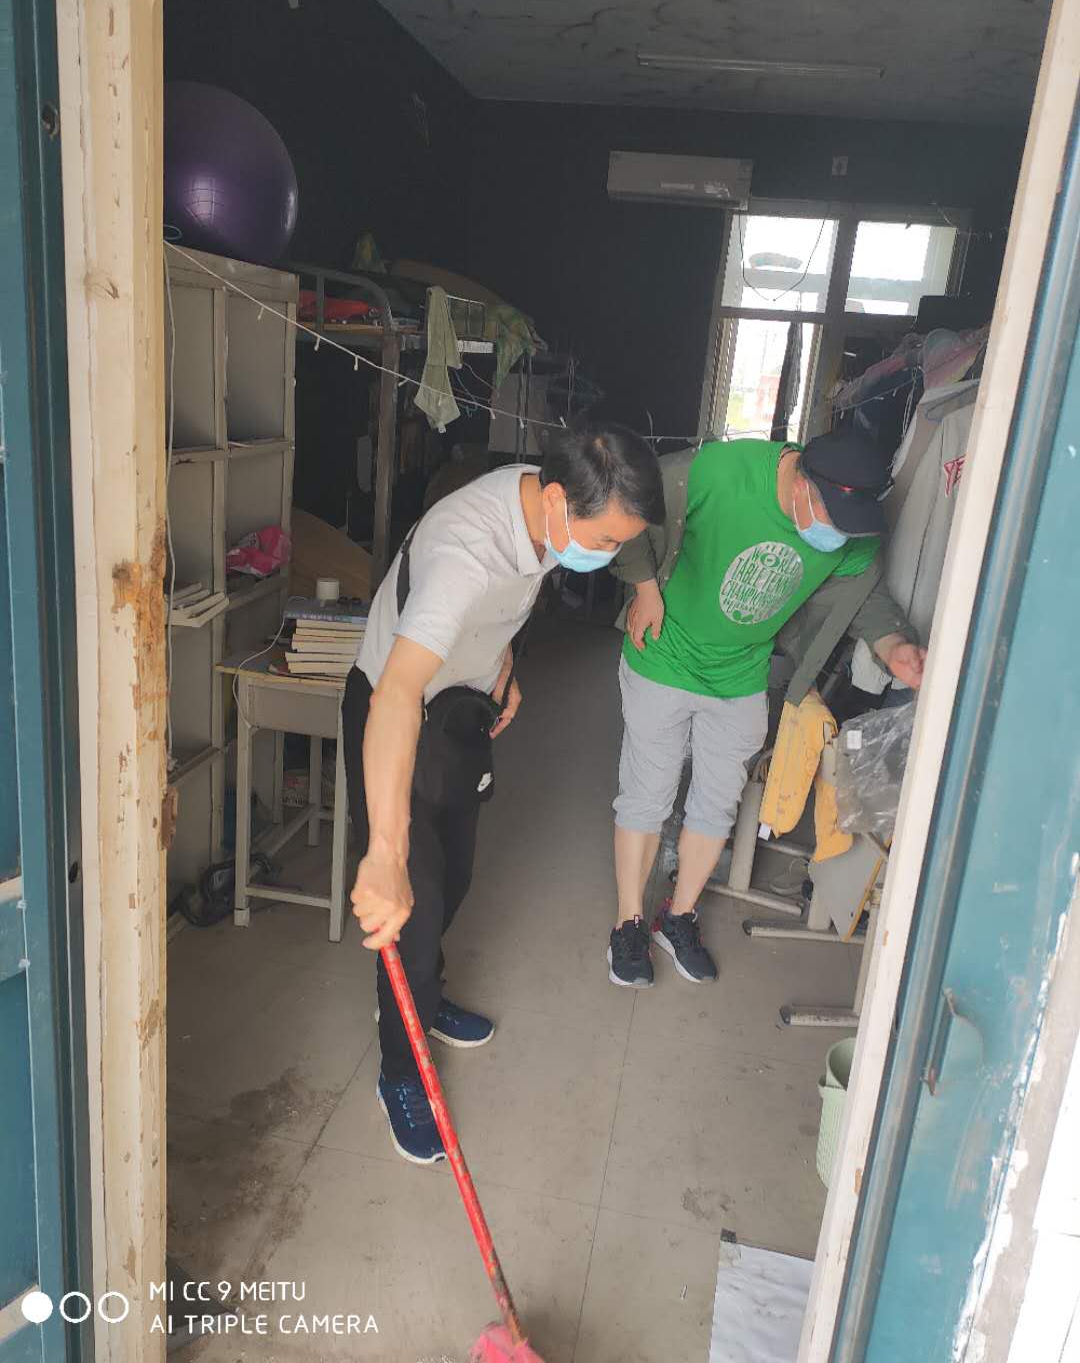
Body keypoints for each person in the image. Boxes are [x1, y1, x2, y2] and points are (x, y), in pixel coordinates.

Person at [344, 420, 664, 1163]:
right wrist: (383, 854)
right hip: (398, 711)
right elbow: (395, 693)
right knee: (413, 905)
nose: (608, 557)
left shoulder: (544, 503)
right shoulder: (466, 553)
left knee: (453, 878)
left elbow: (513, 599)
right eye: (606, 541)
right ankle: (401, 1071)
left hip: (463, 702)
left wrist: (504, 665)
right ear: (556, 502)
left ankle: (425, 998)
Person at [607, 430, 925, 988]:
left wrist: (894, 645)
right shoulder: (717, 472)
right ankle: (628, 925)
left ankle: (677, 917)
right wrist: (645, 586)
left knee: (717, 804)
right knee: (648, 795)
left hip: (742, 674)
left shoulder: (852, 530)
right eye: (830, 517)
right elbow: (632, 498)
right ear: (801, 483)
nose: (837, 534)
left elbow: (865, 597)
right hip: (664, 654)